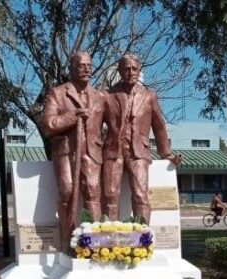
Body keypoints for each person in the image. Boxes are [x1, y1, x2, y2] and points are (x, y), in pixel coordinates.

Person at [103, 54, 182, 224]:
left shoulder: (149, 96)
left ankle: (142, 238)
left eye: (134, 69)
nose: (130, 72)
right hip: (113, 151)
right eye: (126, 68)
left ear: (139, 71)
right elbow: (94, 125)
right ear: (119, 71)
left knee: (140, 194)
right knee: (109, 194)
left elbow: (159, 125)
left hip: (138, 151)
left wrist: (166, 153)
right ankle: (109, 239)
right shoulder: (108, 95)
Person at [41, 52, 105, 248]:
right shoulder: (58, 93)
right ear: (72, 68)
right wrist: (72, 116)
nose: (87, 69)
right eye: (81, 65)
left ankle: (93, 244)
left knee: (93, 194)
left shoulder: (100, 96)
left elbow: (115, 122)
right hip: (67, 151)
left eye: (89, 66)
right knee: (67, 190)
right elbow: (48, 124)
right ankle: (69, 240)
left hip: (92, 152)